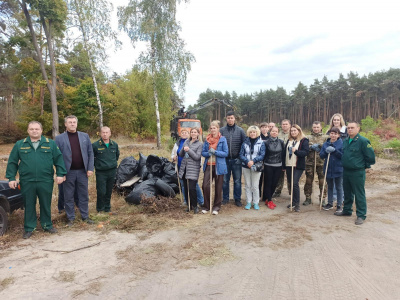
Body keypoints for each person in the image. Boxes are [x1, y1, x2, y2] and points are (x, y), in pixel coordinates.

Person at [6, 121, 66, 239]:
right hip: (27, 181)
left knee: (45, 203)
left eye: (37, 129)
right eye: (32, 129)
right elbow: (12, 162)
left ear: (41, 130)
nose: (34, 131)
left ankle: (47, 225)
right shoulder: (20, 144)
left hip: (45, 180)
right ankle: (29, 228)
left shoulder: (50, 144)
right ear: (28, 131)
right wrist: (11, 178)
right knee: (29, 204)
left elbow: (59, 159)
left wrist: (60, 174)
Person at [55, 115, 95, 226]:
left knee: (83, 195)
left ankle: (85, 216)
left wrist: (90, 168)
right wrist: (60, 172)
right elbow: (57, 157)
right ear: (66, 124)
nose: (72, 124)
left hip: (83, 172)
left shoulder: (84, 136)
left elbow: (90, 153)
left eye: (74, 122)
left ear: (76, 124)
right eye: (70, 122)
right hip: (68, 173)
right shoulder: (59, 138)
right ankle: (70, 218)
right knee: (68, 196)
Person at [334, 121, 375, 225]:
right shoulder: (346, 140)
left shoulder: (363, 141)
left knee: (359, 194)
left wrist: (362, 166)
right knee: (347, 192)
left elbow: (371, 158)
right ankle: (347, 210)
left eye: (352, 128)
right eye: (348, 128)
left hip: (357, 172)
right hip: (346, 171)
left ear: (358, 128)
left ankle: (361, 215)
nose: (350, 130)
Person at [201, 121, 229, 215]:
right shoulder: (207, 139)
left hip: (219, 166)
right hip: (209, 165)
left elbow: (225, 153)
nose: (213, 130)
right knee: (205, 185)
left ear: (218, 128)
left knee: (218, 187)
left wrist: (215, 152)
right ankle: (206, 206)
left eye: (215, 128)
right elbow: (203, 152)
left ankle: (216, 207)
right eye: (211, 128)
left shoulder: (222, 139)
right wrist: (208, 153)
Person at [171, 129, 204, 206]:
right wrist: (174, 157)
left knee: (193, 185)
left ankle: (200, 201)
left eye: (186, 133)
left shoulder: (196, 143)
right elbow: (175, 153)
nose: (184, 134)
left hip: (192, 167)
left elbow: (198, 157)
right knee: (183, 185)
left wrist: (199, 165)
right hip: (181, 166)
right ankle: (187, 201)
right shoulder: (178, 143)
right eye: (182, 133)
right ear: (180, 134)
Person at [220, 111, 246, 207]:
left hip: (236, 160)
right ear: (226, 119)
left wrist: (240, 157)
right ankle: (225, 198)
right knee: (225, 180)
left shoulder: (240, 131)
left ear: (235, 119)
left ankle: (237, 199)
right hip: (225, 160)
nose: (230, 119)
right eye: (228, 118)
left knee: (237, 181)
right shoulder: (222, 131)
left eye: (232, 118)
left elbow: (244, 145)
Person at [92, 126, 120, 214]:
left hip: (112, 171)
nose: (105, 134)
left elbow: (117, 156)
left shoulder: (114, 144)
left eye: (107, 132)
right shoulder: (95, 145)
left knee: (109, 191)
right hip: (101, 172)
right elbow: (91, 158)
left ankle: (107, 208)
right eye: (103, 132)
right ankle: (100, 209)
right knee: (101, 191)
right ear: (100, 133)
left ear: (110, 133)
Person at [283, 124, 309, 212]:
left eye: (295, 130)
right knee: (290, 183)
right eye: (292, 131)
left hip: (298, 166)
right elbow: (285, 154)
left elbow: (305, 152)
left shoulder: (303, 140)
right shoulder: (289, 140)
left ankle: (297, 204)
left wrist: (296, 151)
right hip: (289, 164)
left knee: (295, 183)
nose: (293, 132)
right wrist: (284, 165)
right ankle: (293, 202)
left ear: (299, 131)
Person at [239, 126, 265, 210]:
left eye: (254, 132)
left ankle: (256, 202)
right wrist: (247, 162)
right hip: (246, 166)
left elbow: (262, 155)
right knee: (248, 185)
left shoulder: (261, 143)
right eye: (251, 132)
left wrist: (253, 161)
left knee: (255, 185)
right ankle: (248, 202)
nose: (252, 134)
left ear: (257, 133)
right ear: (248, 133)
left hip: (256, 166)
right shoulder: (245, 143)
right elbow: (241, 154)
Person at [178, 128, 203, 214]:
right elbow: (180, 154)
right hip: (184, 167)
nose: (193, 133)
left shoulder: (200, 144)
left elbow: (197, 157)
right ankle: (189, 206)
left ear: (198, 134)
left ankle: (195, 206)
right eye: (192, 132)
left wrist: (189, 150)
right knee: (185, 187)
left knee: (192, 188)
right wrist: (183, 149)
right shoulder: (186, 142)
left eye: (195, 132)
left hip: (193, 168)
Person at [303, 121, 328, 206]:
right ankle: (308, 198)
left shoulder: (326, 137)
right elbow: (304, 147)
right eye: (314, 127)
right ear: (312, 128)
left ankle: (323, 199)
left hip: (322, 163)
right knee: (308, 181)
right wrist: (310, 147)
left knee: (322, 181)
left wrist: (321, 146)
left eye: (317, 127)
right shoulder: (307, 137)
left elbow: (327, 146)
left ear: (321, 128)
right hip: (310, 163)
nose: (316, 129)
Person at [320, 127, 344, 212]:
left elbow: (342, 156)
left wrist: (335, 151)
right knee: (329, 186)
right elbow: (321, 155)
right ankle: (330, 203)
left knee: (338, 187)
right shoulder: (326, 144)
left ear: (338, 135)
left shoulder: (341, 144)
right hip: (328, 168)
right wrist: (326, 152)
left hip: (338, 169)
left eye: (335, 134)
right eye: (332, 133)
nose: (333, 135)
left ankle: (339, 205)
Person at [262, 126, 285, 209]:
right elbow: (264, 154)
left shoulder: (281, 142)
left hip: (278, 165)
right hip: (268, 165)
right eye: (273, 131)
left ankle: (268, 198)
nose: (274, 133)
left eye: (276, 131)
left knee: (275, 183)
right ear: (270, 132)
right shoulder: (266, 142)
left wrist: (283, 166)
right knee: (268, 183)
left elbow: (283, 155)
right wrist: (262, 163)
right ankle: (270, 200)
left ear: (278, 133)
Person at [274, 119, 291, 197]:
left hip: (290, 157)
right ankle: (278, 191)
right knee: (279, 175)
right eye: (283, 124)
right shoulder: (278, 134)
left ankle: (291, 191)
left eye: (286, 124)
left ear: (289, 125)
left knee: (290, 175)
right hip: (279, 157)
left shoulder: (293, 133)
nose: (284, 125)